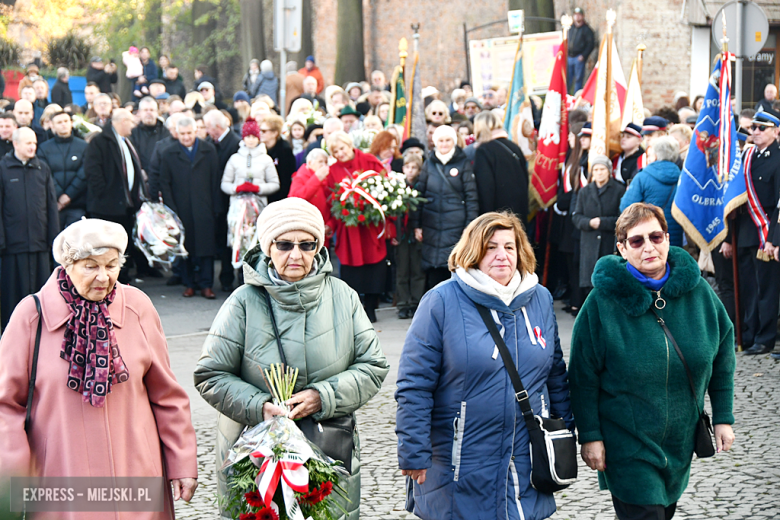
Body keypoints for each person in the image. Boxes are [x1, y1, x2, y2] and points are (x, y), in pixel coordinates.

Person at [194, 197, 389, 520]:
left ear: (318, 247)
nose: (296, 254)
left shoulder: (343, 296)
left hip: (329, 445)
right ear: (268, 247)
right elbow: (210, 374)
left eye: (306, 244)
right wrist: (259, 406)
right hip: (253, 451)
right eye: (284, 244)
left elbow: (373, 366)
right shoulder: (243, 302)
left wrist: (322, 396)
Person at [0, 218, 199, 519]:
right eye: (90, 266)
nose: (103, 277)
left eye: (111, 265)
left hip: (137, 479)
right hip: (60, 483)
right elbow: (6, 406)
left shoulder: (137, 307)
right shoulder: (32, 316)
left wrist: (182, 463)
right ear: (68, 265)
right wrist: (13, 481)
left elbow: (167, 396)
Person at [396, 210, 573, 520]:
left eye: (509, 246)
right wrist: (414, 450)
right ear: (473, 252)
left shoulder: (540, 299)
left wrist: (565, 435)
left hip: (526, 460)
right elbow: (415, 384)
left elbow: (555, 373)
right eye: (491, 247)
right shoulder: (441, 301)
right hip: (460, 461)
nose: (501, 255)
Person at [569, 202, 735, 520]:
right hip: (626, 443)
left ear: (667, 239)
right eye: (637, 240)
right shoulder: (601, 302)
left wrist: (723, 416)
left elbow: (723, 353)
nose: (649, 247)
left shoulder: (698, 293)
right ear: (621, 247)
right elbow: (582, 375)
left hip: (679, 443)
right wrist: (590, 435)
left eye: (656, 237)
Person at [324, 131, 396, 321]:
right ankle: (354, 309)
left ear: (350, 145)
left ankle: (371, 307)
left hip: (371, 225)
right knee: (352, 269)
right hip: (350, 228)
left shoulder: (369, 160)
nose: (340, 153)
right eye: (336, 151)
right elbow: (332, 200)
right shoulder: (333, 172)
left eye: (342, 148)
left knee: (374, 266)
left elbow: (386, 188)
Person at [729, 109, 780, 356]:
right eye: (753, 128)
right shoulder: (747, 156)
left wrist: (774, 239)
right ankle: (748, 335)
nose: (756, 132)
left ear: (775, 131)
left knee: (766, 290)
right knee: (749, 289)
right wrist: (729, 237)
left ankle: (766, 337)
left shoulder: (778, 159)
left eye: (762, 128)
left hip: (767, 233)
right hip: (746, 232)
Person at [0, 126, 59, 329]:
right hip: (12, 245)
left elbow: (51, 206)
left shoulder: (42, 168)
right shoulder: (3, 168)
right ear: (16, 144)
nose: (33, 147)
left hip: (39, 242)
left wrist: (54, 239)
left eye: (34, 143)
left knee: (40, 293)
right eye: (28, 143)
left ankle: (41, 333)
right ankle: (12, 333)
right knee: (12, 295)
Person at [158, 117, 222, 299]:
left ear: (195, 132)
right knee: (185, 248)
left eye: (189, 133)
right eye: (183, 134)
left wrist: (215, 207)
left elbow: (215, 179)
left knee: (206, 247)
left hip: (204, 206)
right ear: (177, 134)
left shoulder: (208, 150)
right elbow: (165, 183)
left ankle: (206, 285)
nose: (186, 137)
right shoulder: (169, 153)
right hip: (181, 207)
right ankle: (189, 284)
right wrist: (171, 210)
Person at [411, 124, 478, 290]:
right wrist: (416, 225)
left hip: (455, 223)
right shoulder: (428, 163)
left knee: (452, 263)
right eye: (440, 140)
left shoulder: (463, 163)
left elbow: (471, 197)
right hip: (431, 222)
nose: (444, 144)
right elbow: (420, 194)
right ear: (435, 142)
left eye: (448, 140)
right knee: (433, 266)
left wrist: (469, 226)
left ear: (454, 141)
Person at [83, 109, 143, 284]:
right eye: (130, 121)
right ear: (123, 121)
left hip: (125, 206)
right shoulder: (100, 142)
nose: (133, 125)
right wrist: (105, 194)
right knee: (107, 247)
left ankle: (121, 279)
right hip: (106, 207)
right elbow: (92, 172)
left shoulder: (126, 141)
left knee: (121, 246)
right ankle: (109, 281)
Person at [572, 155, 625, 301]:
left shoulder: (619, 190)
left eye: (602, 169)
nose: (599, 172)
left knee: (608, 281)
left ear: (609, 171)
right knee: (590, 284)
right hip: (589, 244)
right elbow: (576, 217)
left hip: (609, 243)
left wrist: (602, 222)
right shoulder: (584, 191)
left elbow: (622, 218)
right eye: (596, 169)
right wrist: (588, 223)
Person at [619, 136, 682, 247]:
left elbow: (626, 207)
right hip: (676, 236)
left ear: (656, 155)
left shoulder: (643, 177)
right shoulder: (682, 177)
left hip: (650, 237)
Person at [472, 111, 529, 221]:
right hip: (518, 210)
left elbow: (485, 189)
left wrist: (485, 219)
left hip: (497, 215)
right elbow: (525, 178)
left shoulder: (484, 150)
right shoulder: (513, 147)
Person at [37, 111, 88, 230]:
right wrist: (59, 196)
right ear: (52, 126)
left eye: (66, 121)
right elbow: (45, 173)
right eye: (59, 122)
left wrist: (69, 196)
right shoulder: (44, 148)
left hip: (77, 204)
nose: (63, 124)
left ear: (71, 123)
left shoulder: (83, 146)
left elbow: (84, 173)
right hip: (55, 205)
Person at [221, 116, 280, 206]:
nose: (251, 140)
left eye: (254, 137)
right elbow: (225, 184)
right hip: (237, 207)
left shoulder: (266, 159)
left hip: (259, 206)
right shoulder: (234, 158)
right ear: (243, 138)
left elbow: (275, 184)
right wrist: (236, 188)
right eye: (248, 136)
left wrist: (259, 188)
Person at [395, 153, 425, 318]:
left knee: (417, 269)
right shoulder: (397, 187)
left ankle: (416, 302)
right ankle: (403, 303)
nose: (410, 170)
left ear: (419, 170)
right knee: (402, 269)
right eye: (408, 167)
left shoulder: (421, 187)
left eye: (414, 167)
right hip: (402, 233)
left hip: (416, 233)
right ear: (403, 168)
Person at [130, 96, 170, 178]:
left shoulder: (166, 133)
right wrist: (139, 170)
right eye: (145, 110)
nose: (149, 113)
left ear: (157, 112)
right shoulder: (133, 134)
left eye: (151, 110)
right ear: (140, 112)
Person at [261, 114, 297, 203]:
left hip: (279, 198)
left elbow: (286, 178)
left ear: (275, 133)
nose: (260, 133)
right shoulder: (260, 149)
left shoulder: (285, 150)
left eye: (264, 131)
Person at [567, 7, 595, 94]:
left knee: (578, 79)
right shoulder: (570, 28)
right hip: (569, 57)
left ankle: (576, 96)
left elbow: (590, 44)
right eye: (575, 15)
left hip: (578, 57)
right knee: (568, 78)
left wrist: (583, 55)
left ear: (582, 16)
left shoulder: (586, 30)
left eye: (579, 15)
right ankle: (567, 95)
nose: (577, 17)